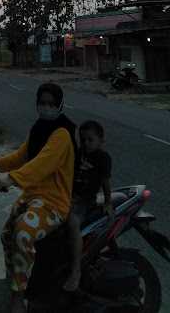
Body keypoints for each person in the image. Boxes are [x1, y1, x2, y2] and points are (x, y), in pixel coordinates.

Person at [0, 82, 77, 313]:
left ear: (60, 105)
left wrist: (10, 179)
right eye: (42, 102)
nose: (46, 107)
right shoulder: (39, 128)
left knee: (22, 234)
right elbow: (22, 155)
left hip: (53, 201)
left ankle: (19, 296)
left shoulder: (62, 134)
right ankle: (17, 280)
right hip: (33, 196)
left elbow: (41, 164)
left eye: (51, 103)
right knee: (7, 233)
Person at [63, 120, 113, 292]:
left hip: (85, 201)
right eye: (82, 140)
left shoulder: (103, 158)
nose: (86, 143)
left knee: (72, 222)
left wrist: (107, 202)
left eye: (90, 140)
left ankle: (75, 271)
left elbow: (106, 182)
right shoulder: (77, 153)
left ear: (101, 140)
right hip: (69, 198)